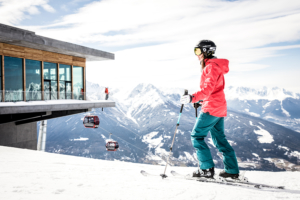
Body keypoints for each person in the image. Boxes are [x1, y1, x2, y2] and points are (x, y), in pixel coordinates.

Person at [180, 40, 240, 179]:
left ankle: (206, 170)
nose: (197, 54)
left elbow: (207, 90)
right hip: (219, 107)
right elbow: (214, 90)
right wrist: (200, 100)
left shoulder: (211, 67)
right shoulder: (215, 66)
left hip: (211, 109)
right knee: (220, 139)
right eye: (196, 51)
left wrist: (192, 98)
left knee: (197, 136)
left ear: (207, 51)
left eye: (198, 51)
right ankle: (231, 170)